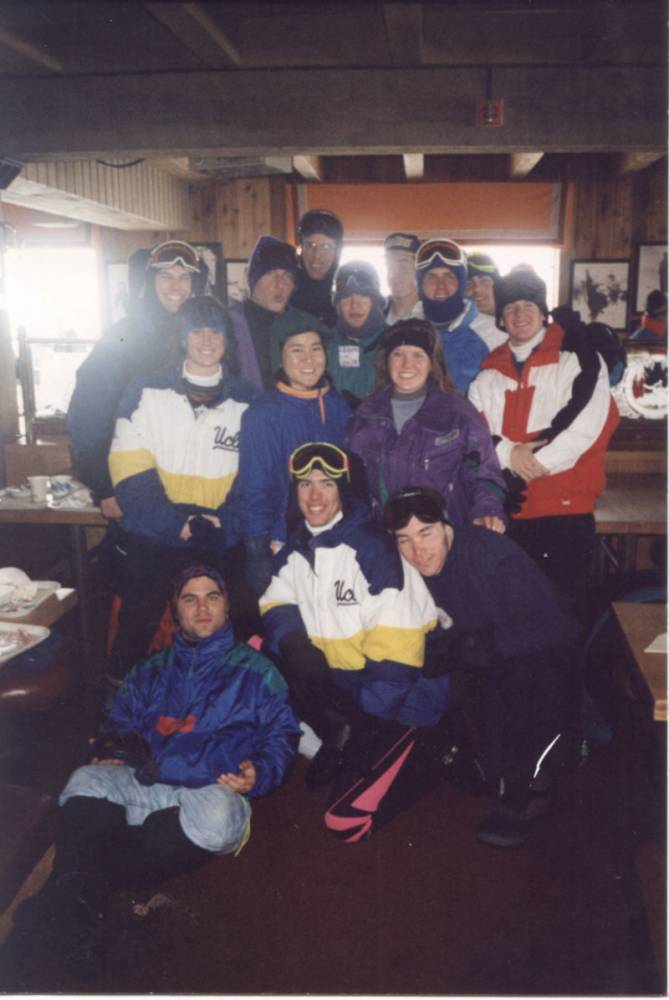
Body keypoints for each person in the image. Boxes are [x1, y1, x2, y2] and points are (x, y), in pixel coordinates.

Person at [7, 564, 299, 972]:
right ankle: (80, 893)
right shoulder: (149, 670)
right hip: (148, 780)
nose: (201, 608)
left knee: (218, 818)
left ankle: (90, 885)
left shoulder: (258, 672)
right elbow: (120, 724)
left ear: (226, 607)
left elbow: (282, 735)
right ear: (175, 611)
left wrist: (261, 772)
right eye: (189, 599)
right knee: (85, 779)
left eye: (212, 597)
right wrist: (114, 750)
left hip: (211, 788)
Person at [260, 442, 458, 843]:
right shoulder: (299, 546)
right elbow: (276, 599)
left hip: (401, 701)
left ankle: (435, 750)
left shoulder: (372, 550)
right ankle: (337, 738)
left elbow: (397, 665)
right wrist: (296, 642)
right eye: (305, 484)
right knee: (260, 651)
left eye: (327, 485)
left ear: (344, 490)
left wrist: (365, 724)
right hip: (350, 686)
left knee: (345, 821)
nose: (314, 496)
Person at [384, 486, 577, 848]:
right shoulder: (408, 568)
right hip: (482, 661)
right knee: (475, 764)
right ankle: (500, 770)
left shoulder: (490, 555)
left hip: (540, 659)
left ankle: (531, 785)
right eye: (404, 540)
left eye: (426, 534)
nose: (417, 551)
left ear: (445, 527)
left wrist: (471, 648)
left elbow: (554, 628)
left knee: (520, 691)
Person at [107, 296, 257, 682]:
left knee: (233, 617)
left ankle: (219, 705)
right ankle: (120, 706)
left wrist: (223, 522)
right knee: (137, 617)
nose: (207, 341)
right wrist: (177, 522)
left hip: (218, 534)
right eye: (196, 331)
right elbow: (128, 470)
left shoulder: (250, 402)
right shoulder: (145, 392)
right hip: (155, 531)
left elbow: (256, 479)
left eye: (216, 331)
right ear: (182, 338)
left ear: (228, 339)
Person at [468, 268, 620, 622]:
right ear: (501, 318)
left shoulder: (578, 358)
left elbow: (585, 432)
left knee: (562, 619)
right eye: (510, 307)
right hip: (508, 517)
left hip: (564, 512)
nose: (519, 314)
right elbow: (474, 435)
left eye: (527, 305)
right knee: (509, 620)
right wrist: (509, 453)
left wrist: (521, 472)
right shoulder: (487, 373)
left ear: (542, 310)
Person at [67, 240, 208, 518]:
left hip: (194, 485)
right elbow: (87, 415)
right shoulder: (121, 336)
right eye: (165, 277)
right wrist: (104, 488)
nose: (176, 287)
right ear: (149, 282)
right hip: (135, 484)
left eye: (184, 277)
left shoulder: (205, 335)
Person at [345, 318, 506, 530]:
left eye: (418, 355)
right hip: (383, 539)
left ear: (432, 362)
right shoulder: (365, 416)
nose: (407, 365)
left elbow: (483, 472)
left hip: (443, 537)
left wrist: (487, 509)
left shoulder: (458, 414)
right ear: (386, 361)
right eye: (398, 355)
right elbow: (351, 485)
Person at [238, 313, 351, 594]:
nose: (308, 359)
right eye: (296, 350)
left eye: (315, 348)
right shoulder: (263, 414)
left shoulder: (340, 407)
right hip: (281, 540)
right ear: (280, 358)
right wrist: (260, 549)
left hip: (335, 537)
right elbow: (255, 489)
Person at [228, 235, 314, 390]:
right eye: (270, 273)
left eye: (287, 275)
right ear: (253, 280)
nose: (280, 284)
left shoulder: (302, 325)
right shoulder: (229, 323)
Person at [415, 238, 489, 394]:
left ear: (462, 282)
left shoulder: (492, 332)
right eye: (432, 277)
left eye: (449, 276)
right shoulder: (404, 330)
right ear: (420, 283)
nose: (440, 285)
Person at [326, 261, 387, 406]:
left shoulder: (397, 342)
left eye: (363, 295)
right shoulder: (324, 345)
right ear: (338, 302)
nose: (355, 305)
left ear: (375, 300)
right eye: (347, 297)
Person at [290, 209, 343, 326]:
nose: (317, 255)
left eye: (326, 246)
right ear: (301, 248)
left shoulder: (347, 298)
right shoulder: (285, 293)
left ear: (337, 251)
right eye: (310, 245)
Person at [465, 251, 508, 351]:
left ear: (497, 286)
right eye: (468, 284)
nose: (477, 289)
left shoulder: (517, 324)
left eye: (484, 280)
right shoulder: (459, 332)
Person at [383, 231, 420, 324]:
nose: (393, 274)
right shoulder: (376, 314)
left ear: (418, 271)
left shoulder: (433, 316)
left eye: (402, 267)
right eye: (389, 266)